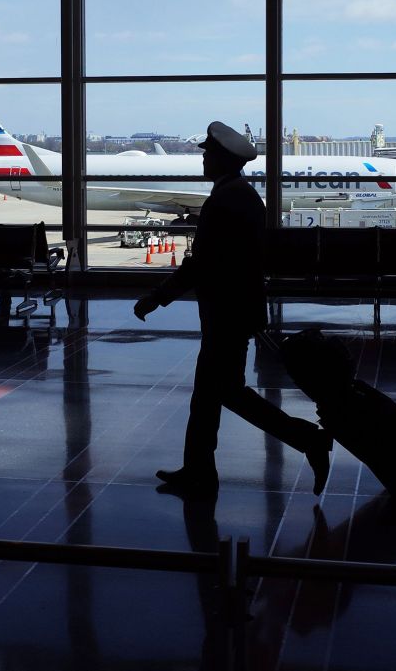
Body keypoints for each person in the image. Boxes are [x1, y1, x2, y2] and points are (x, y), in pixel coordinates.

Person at [134, 121, 331, 496]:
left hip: (227, 315)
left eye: (208, 154)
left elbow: (202, 262)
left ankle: (308, 440)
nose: (204, 160)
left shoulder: (227, 199)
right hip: (231, 312)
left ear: (222, 159)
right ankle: (198, 471)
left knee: (225, 393)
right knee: (211, 396)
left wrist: (158, 297)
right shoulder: (239, 195)